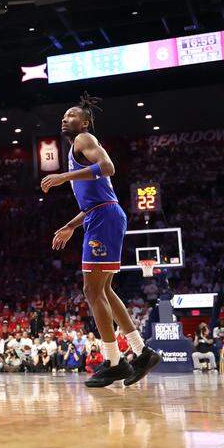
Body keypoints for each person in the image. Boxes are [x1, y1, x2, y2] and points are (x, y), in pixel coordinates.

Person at [41, 94, 161, 388]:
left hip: (105, 217)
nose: (64, 119)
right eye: (64, 116)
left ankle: (114, 362)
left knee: (92, 290)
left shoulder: (84, 139)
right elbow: (92, 203)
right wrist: (70, 226)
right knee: (102, 290)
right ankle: (141, 352)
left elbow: (108, 167)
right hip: (100, 215)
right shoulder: (76, 149)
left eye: (70, 115)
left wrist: (63, 176)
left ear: (84, 121)